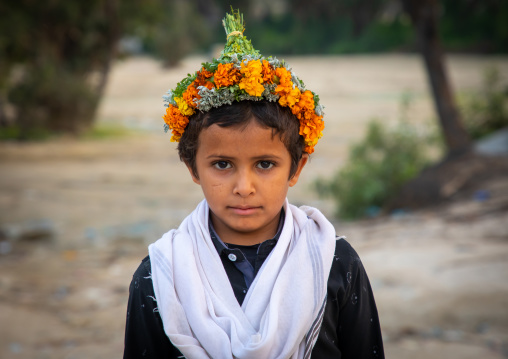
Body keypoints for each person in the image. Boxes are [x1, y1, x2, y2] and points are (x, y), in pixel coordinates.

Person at [123, 9, 384, 359]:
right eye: (222, 165)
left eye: (264, 164)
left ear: (296, 168)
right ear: (193, 167)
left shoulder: (334, 264)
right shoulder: (160, 276)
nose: (243, 186)